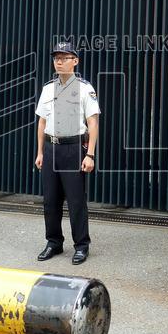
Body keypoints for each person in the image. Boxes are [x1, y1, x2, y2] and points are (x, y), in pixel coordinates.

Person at [34, 41, 100, 265]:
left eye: (64, 58)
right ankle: (54, 242)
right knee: (50, 200)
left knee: (75, 200)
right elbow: (42, 122)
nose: (59, 62)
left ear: (75, 61)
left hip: (73, 149)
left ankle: (81, 245)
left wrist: (90, 155)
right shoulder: (48, 89)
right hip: (51, 148)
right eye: (56, 58)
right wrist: (40, 152)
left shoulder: (85, 88)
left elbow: (93, 122)